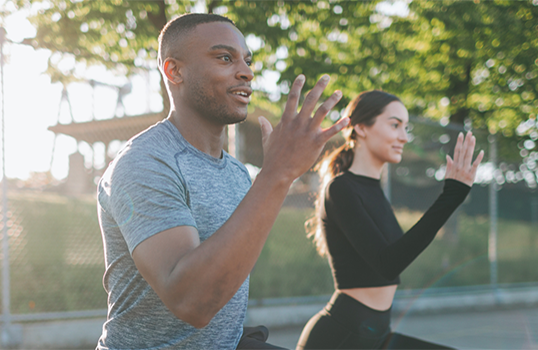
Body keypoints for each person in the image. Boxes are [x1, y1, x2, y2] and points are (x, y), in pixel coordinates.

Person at [96, 13, 349, 350]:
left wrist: (276, 176)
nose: (246, 72)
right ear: (175, 71)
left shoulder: (236, 172)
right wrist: (278, 173)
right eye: (225, 58)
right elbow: (192, 303)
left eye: (247, 60)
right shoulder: (144, 163)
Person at [296, 90, 484, 350]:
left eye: (406, 128)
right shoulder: (340, 189)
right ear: (361, 127)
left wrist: (452, 195)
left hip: (377, 334)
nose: (404, 137)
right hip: (340, 338)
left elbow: (399, 253)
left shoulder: (373, 190)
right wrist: (450, 197)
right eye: (395, 125)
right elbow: (388, 264)